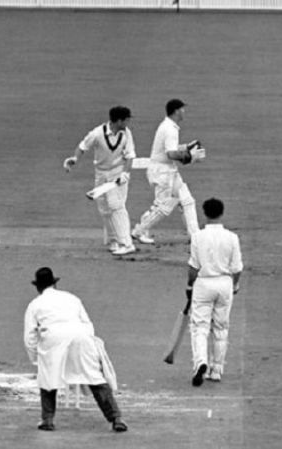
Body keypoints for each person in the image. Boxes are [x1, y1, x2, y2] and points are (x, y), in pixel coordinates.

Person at [24, 267, 127, 432]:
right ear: (54, 284)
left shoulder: (35, 304)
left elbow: (30, 337)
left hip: (53, 339)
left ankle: (47, 419)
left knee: (48, 379)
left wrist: (36, 358)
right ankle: (116, 418)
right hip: (81, 336)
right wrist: (87, 343)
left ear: (38, 287)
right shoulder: (72, 298)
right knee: (95, 379)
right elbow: (87, 324)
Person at [64, 106, 136, 256]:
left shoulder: (127, 134)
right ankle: (113, 240)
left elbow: (130, 156)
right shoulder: (97, 133)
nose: (129, 122)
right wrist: (75, 158)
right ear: (119, 120)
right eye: (127, 119)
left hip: (117, 174)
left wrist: (125, 173)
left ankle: (127, 243)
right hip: (101, 174)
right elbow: (82, 146)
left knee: (117, 206)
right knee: (104, 209)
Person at [131, 99, 206, 244]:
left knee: (187, 201)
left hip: (168, 170)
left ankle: (195, 236)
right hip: (162, 172)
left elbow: (170, 148)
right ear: (176, 111)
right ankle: (138, 231)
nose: (184, 112)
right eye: (183, 109)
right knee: (164, 207)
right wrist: (189, 156)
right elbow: (171, 154)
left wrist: (186, 147)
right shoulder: (170, 129)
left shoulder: (169, 126)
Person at [186, 198, 243, 386]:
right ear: (222, 213)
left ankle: (200, 362)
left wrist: (189, 285)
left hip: (203, 283)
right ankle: (216, 369)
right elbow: (237, 268)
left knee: (200, 327)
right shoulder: (232, 237)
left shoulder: (197, 236)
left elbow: (193, 266)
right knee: (221, 328)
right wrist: (234, 286)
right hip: (224, 284)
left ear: (205, 213)